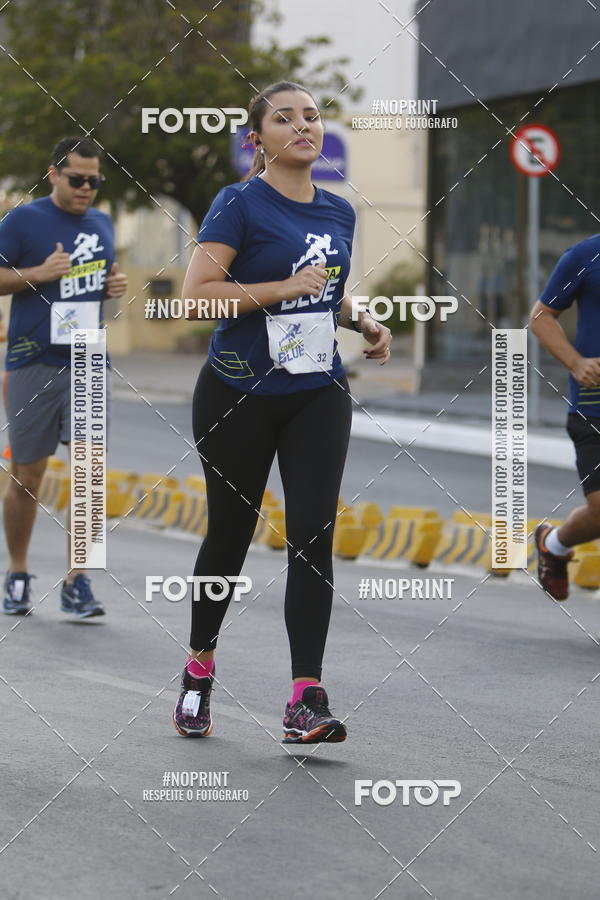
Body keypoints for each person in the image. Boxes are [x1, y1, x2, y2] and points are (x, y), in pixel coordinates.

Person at [172, 81, 391, 743]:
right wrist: (281, 287)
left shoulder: (339, 211)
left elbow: (326, 293)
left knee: (313, 534)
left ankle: (305, 699)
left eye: (312, 116)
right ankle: (199, 668)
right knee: (230, 535)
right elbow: (196, 297)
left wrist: (361, 320)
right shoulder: (238, 203)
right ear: (256, 139)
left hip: (317, 389)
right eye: (285, 118)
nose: (303, 126)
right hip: (237, 390)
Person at [0, 136, 128, 616]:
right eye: (76, 180)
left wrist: (113, 285)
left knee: (90, 472)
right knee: (27, 476)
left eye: (94, 181)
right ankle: (17, 572)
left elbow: (98, 282)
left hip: (88, 357)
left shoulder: (102, 222)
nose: (86, 189)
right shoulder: (23, 220)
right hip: (33, 359)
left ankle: (78, 580)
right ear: (53, 174)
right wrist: (38, 272)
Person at [530, 234, 600, 601]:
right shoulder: (585, 255)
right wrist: (576, 363)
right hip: (593, 407)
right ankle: (553, 544)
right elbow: (541, 317)